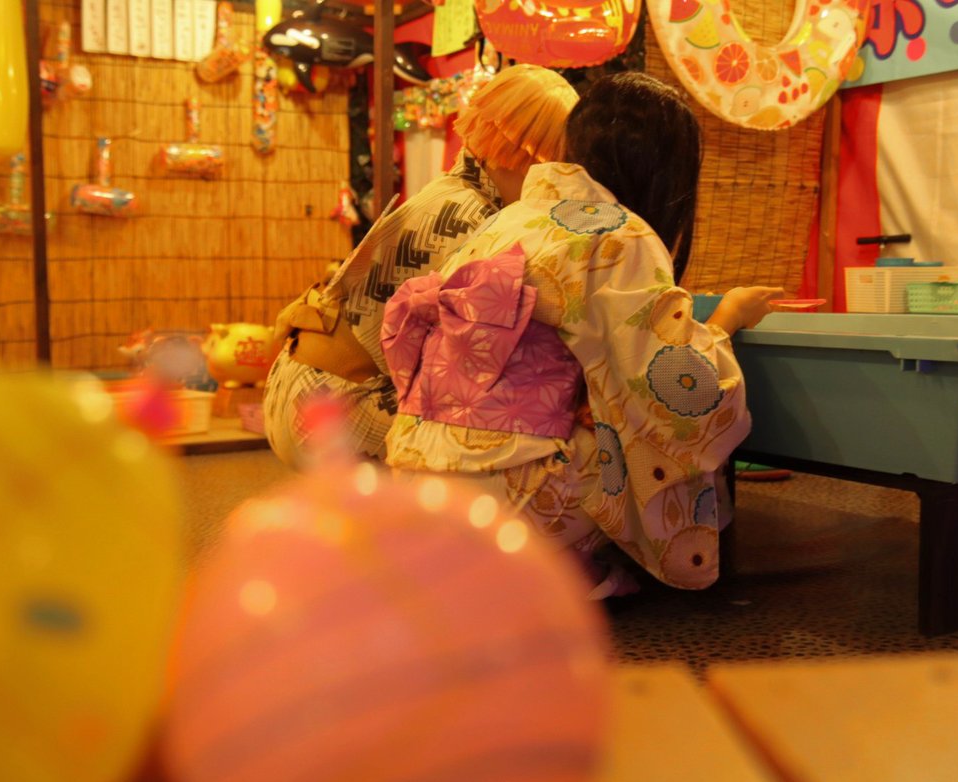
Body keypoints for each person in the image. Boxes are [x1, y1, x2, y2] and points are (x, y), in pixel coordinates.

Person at [381, 72, 783, 595]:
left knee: (602, 406)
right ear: (663, 169)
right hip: (500, 489)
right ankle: (551, 566)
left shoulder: (509, 219)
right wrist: (726, 319)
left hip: (413, 472)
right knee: (649, 425)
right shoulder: (619, 233)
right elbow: (676, 386)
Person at [264, 65, 580, 467]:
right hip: (331, 403)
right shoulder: (475, 218)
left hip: (302, 380)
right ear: (529, 158)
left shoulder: (451, 192)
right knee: (521, 450)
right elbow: (465, 362)